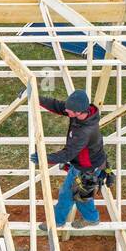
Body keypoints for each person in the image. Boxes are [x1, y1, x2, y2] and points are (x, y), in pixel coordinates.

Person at [31, 88, 108, 228]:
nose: (66, 111)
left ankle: (57, 222)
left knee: (67, 194)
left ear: (79, 112)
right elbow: (59, 106)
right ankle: (91, 218)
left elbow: (68, 154)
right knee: (82, 194)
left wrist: (44, 158)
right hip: (86, 163)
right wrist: (35, 97)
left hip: (87, 168)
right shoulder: (80, 113)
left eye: (70, 110)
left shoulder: (85, 131)